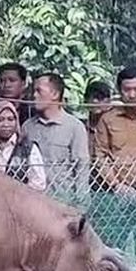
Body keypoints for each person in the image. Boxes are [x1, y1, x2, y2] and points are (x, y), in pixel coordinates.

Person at [91, 66, 136, 196]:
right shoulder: (107, 119)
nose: (132, 95)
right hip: (118, 190)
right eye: (127, 90)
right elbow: (100, 156)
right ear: (119, 91)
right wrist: (115, 185)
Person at [21, 72, 90, 201]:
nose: (34, 95)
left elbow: (82, 167)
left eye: (39, 91)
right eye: (33, 91)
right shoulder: (28, 127)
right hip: (34, 202)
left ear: (55, 94)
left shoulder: (74, 127)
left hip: (63, 201)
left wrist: (81, 201)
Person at [0, 99, 46, 190]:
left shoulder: (27, 148)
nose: (6, 124)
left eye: (10, 119)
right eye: (0, 119)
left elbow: (39, 183)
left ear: (16, 121)